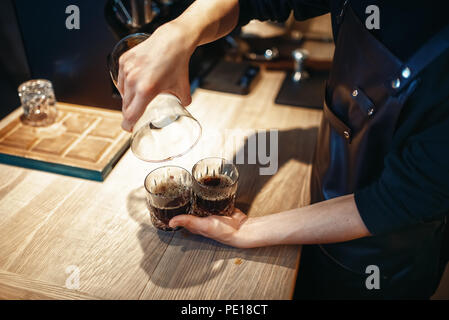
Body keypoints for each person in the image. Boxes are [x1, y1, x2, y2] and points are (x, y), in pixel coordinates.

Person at [117, 0, 449, 299]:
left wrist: (247, 231)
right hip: (326, 191)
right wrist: (181, 31)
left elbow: (394, 201)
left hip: (385, 259)